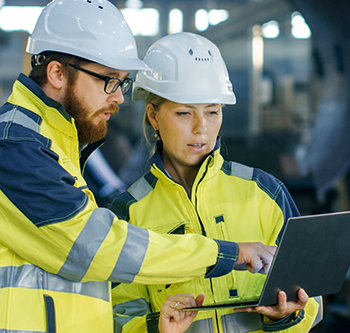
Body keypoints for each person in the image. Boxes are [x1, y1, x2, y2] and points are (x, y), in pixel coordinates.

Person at [0, 2, 277, 333]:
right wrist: (222, 254)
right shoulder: (16, 145)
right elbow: (94, 248)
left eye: (122, 83)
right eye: (109, 80)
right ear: (57, 73)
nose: (118, 97)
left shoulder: (55, 144)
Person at [109, 32, 323, 333]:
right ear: (153, 117)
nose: (201, 129)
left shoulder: (266, 192)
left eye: (212, 111)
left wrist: (288, 315)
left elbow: (311, 299)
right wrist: (155, 327)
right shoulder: (127, 214)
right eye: (184, 113)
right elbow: (116, 317)